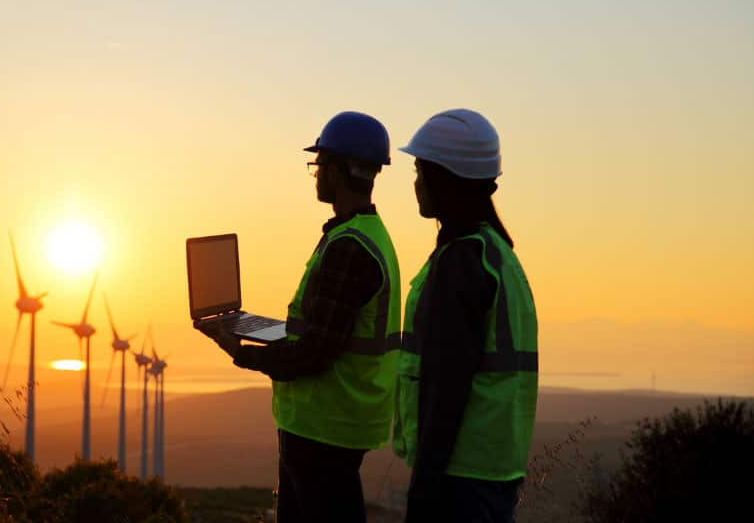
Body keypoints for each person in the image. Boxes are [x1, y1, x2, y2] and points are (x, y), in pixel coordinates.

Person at [204, 111, 402, 523]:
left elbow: (315, 353)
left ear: (339, 170)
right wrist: (268, 333)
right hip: (334, 423)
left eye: (319, 165)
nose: (315, 175)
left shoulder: (349, 247)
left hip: (323, 427)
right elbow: (324, 333)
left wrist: (242, 351)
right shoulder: (365, 235)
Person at [393, 109, 538, 523]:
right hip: (494, 469)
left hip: (460, 476)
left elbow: (445, 387)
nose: (415, 182)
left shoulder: (462, 262)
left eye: (420, 169)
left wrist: (423, 487)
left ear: (446, 177)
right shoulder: (498, 255)